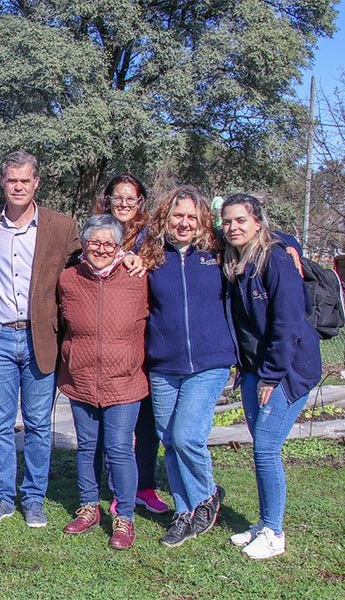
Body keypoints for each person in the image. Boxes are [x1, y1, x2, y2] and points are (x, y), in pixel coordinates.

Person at [0, 151, 80, 528]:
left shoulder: (61, 227)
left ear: (36, 183)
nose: (18, 187)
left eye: (25, 180)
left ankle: (34, 498)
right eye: (12, 180)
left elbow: (84, 270)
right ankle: (1, 497)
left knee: (40, 424)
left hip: (40, 336)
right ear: (2, 181)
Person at [220, 194, 322, 560]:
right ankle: (263, 524)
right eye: (227, 221)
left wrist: (272, 376)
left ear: (258, 223)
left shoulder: (276, 258)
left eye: (241, 221)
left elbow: (288, 324)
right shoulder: (237, 259)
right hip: (252, 368)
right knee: (261, 448)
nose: (233, 228)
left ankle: (275, 534)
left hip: (286, 369)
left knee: (265, 448)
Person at [138, 186, 237, 547]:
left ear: (202, 222)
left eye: (191, 217)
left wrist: (294, 245)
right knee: (170, 440)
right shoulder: (151, 257)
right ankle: (184, 510)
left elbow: (262, 232)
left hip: (210, 363)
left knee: (186, 436)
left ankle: (207, 496)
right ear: (166, 217)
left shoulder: (218, 254)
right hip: (164, 365)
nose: (184, 223)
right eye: (177, 216)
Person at [57, 215, 148, 549]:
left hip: (124, 379)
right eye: (94, 242)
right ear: (84, 243)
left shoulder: (138, 277)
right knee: (88, 447)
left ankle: (124, 516)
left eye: (109, 243)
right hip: (80, 376)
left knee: (120, 448)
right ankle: (89, 506)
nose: (101, 249)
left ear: (119, 247)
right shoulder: (68, 279)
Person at [95, 173, 169, 515]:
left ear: (140, 203)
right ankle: (115, 487)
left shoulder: (152, 236)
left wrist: (291, 243)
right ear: (108, 199)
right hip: (111, 342)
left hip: (151, 338)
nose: (124, 204)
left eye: (131, 199)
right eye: (118, 197)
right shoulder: (97, 231)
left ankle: (145, 486)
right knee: (114, 426)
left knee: (147, 422)